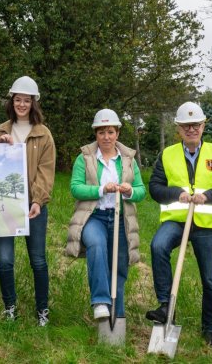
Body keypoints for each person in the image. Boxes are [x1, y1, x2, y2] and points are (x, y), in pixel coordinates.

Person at [145, 102, 212, 347]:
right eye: (186, 126)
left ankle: (209, 329)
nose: (191, 129)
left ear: (203, 126)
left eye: (196, 124)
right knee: (158, 246)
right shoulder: (167, 154)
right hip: (177, 221)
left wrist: (208, 196)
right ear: (178, 128)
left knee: (210, 280)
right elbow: (154, 188)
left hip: (207, 225)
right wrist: (176, 194)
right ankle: (166, 307)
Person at [65, 109, 145, 321]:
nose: (106, 137)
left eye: (110, 132)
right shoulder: (84, 158)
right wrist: (101, 189)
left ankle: (116, 316)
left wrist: (129, 191)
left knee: (118, 267)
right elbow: (75, 188)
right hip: (94, 218)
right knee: (97, 246)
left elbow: (141, 191)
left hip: (121, 219)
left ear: (117, 133)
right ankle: (100, 301)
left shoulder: (128, 159)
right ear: (96, 134)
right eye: (101, 132)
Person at [0, 76, 56, 326]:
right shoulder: (0, 131)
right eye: (17, 100)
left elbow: (46, 171)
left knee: (38, 260)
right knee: (5, 260)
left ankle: (42, 310)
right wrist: (0, 146)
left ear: (33, 103)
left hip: (33, 206)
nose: (21, 104)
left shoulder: (43, 135)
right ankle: (10, 308)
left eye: (26, 100)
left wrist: (37, 200)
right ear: (12, 102)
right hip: (5, 206)